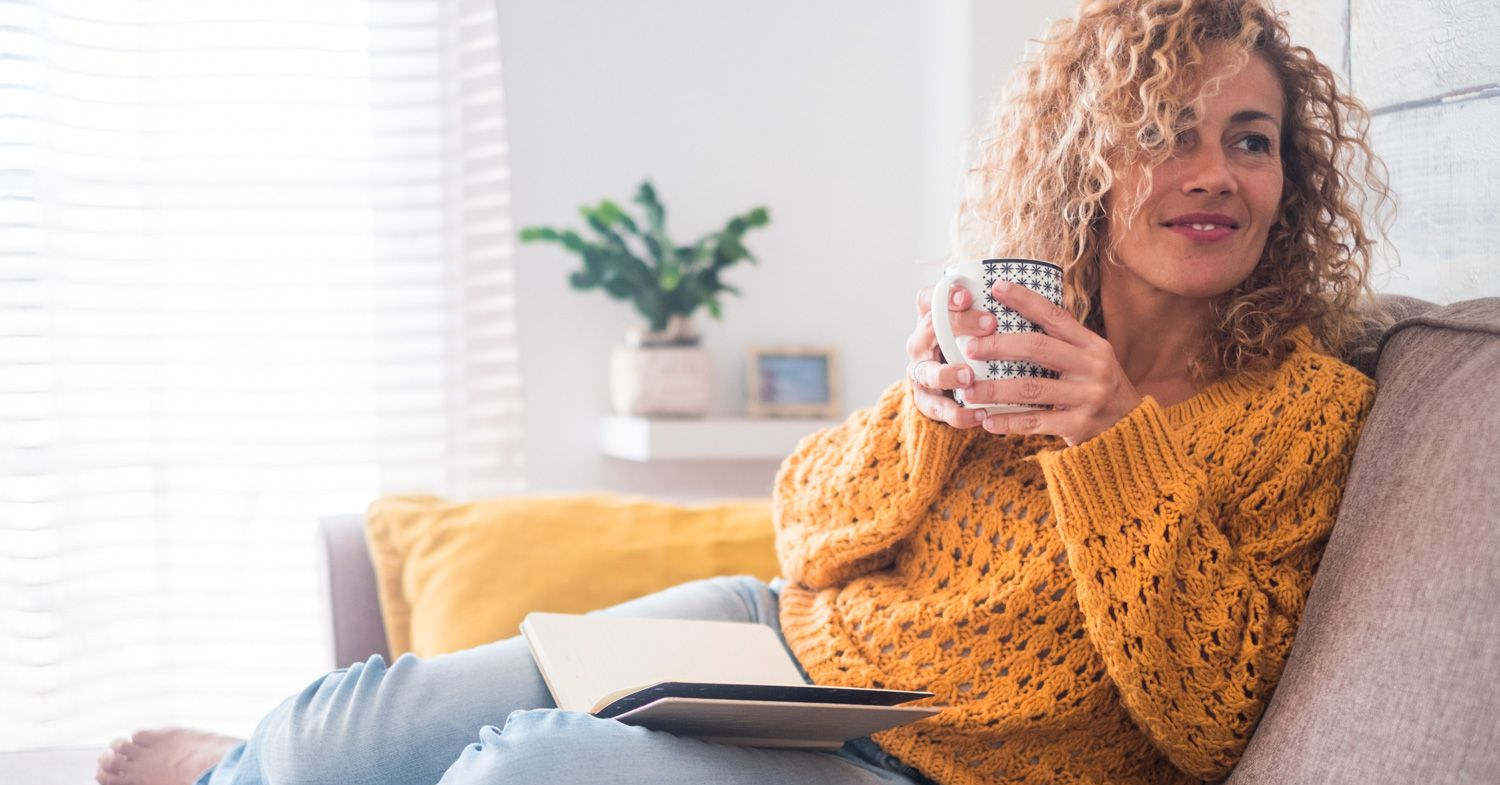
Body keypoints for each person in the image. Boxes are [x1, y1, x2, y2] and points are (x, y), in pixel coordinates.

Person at [95, 1, 1392, 784]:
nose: (1214, 171)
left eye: (1251, 139)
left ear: (1292, 183)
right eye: (1167, 131)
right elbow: (809, 535)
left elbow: (1215, 714)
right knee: (343, 724)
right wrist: (918, 416)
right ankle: (243, 766)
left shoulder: (1307, 412)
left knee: (520, 773)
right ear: (1090, 162)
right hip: (769, 643)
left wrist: (1112, 442)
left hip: (916, 762)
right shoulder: (1023, 320)